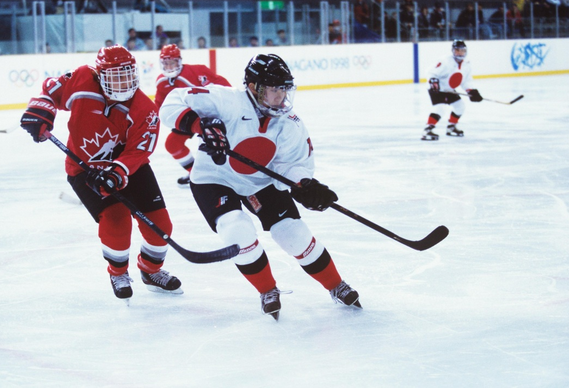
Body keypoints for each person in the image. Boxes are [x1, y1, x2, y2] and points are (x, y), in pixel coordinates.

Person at [159, 53, 361, 320]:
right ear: (254, 87)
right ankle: (267, 289)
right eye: (275, 89)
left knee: (293, 233)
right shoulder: (225, 100)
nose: (281, 96)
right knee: (237, 229)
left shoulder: (290, 123)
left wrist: (304, 184)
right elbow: (171, 103)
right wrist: (199, 124)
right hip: (214, 179)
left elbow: (292, 163)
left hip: (259, 181)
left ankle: (336, 284)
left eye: (284, 88)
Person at [19, 45, 182, 300]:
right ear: (99, 75)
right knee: (117, 222)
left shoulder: (144, 109)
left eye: (127, 75)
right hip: (84, 170)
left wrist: (117, 172)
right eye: (115, 76)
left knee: (161, 225)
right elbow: (50, 91)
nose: (123, 83)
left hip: (129, 168)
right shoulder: (83, 79)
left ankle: (150, 271)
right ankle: (118, 272)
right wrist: (41, 111)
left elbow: (139, 152)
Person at [154, 44, 231, 185]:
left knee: (213, 147)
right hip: (188, 118)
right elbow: (159, 105)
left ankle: (226, 175)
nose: (170, 67)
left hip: (211, 116)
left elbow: (223, 86)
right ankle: (194, 173)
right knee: (173, 144)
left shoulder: (198, 71)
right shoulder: (161, 82)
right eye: (166, 63)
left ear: (179, 61)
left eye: (173, 63)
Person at [421, 40, 482, 141]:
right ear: (452, 51)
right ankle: (427, 130)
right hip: (437, 88)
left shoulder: (466, 64)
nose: (459, 53)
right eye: (457, 50)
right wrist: (433, 81)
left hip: (449, 89)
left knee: (460, 106)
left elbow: (465, 80)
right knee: (440, 109)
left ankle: (451, 127)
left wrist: (470, 91)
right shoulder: (445, 61)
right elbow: (430, 71)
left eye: (462, 50)